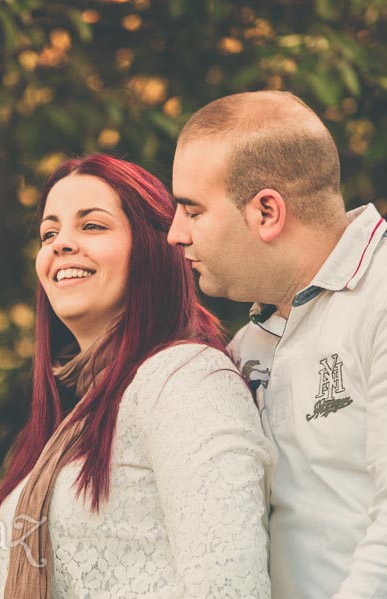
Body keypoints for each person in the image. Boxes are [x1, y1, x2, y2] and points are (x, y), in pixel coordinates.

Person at [0, 154, 273, 599]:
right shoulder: (73, 416)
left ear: (153, 247)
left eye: (91, 226)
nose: (61, 244)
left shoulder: (185, 381)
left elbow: (229, 587)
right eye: (49, 233)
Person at [167, 90, 387, 599]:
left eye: (192, 211)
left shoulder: (378, 298)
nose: (175, 234)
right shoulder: (247, 347)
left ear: (267, 211)